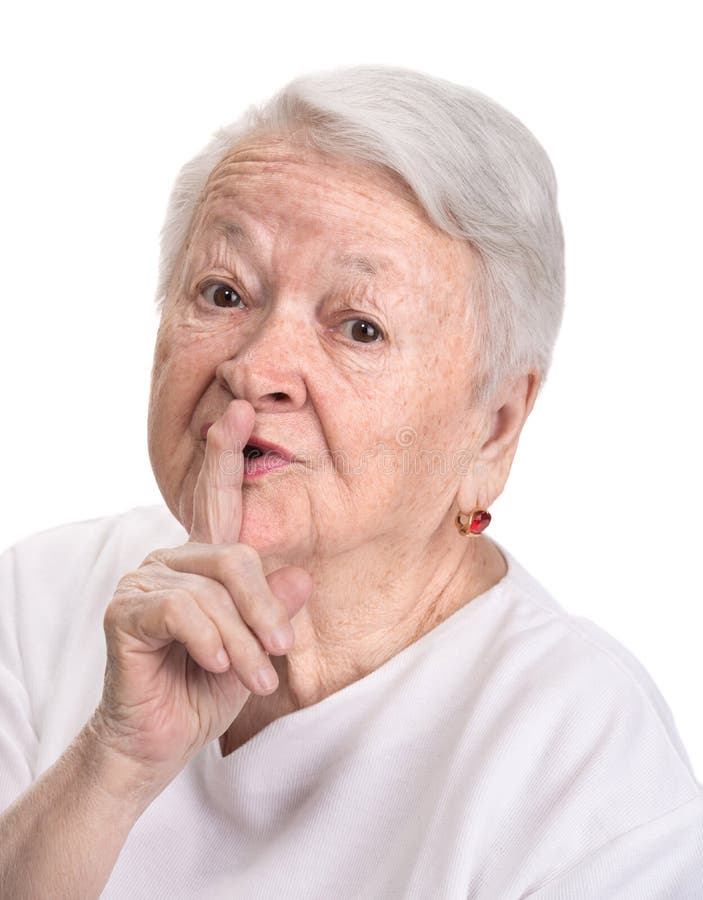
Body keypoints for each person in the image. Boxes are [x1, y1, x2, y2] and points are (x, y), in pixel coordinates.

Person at [1, 65, 701, 899]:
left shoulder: (584, 768)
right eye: (224, 292)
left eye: (359, 327)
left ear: (495, 427)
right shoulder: (42, 598)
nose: (255, 369)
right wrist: (107, 768)